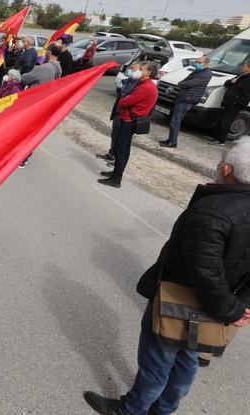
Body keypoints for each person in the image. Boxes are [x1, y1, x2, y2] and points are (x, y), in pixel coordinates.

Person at [83, 138, 250, 415]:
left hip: (180, 300)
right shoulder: (223, 205)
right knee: (188, 361)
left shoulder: (213, 211)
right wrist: (241, 305)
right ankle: (164, 409)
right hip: (217, 306)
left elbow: (205, 271)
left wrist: (233, 310)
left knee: (158, 361)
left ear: (228, 170)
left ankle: (131, 409)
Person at [99, 62, 160, 189]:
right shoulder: (144, 84)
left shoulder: (146, 87)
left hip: (128, 121)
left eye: (141, 69)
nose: (137, 71)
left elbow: (124, 101)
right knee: (123, 149)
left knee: (121, 150)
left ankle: (116, 179)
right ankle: (116, 173)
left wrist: (125, 99)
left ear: (149, 72)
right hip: (129, 120)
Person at [160, 56, 212, 148]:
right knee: (174, 120)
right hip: (183, 97)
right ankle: (170, 139)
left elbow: (191, 83)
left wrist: (182, 84)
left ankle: (172, 142)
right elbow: (184, 81)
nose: (197, 63)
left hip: (188, 99)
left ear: (206, 63)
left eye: (199, 62)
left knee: (176, 120)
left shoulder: (206, 74)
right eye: (196, 62)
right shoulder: (196, 71)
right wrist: (183, 84)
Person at [98, 63, 142, 163]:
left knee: (122, 138)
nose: (130, 70)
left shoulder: (139, 84)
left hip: (126, 115)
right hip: (118, 112)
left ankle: (118, 159)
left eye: (133, 69)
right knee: (115, 134)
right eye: (130, 68)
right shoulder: (128, 81)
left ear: (140, 71)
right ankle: (112, 153)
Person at [210, 60, 250, 145]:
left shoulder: (248, 80)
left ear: (249, 68)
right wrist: (231, 82)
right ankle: (216, 137)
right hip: (227, 103)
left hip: (234, 105)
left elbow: (246, 97)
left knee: (226, 122)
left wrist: (235, 102)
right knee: (222, 120)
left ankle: (221, 140)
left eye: (244, 66)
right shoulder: (240, 76)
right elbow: (226, 84)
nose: (242, 67)